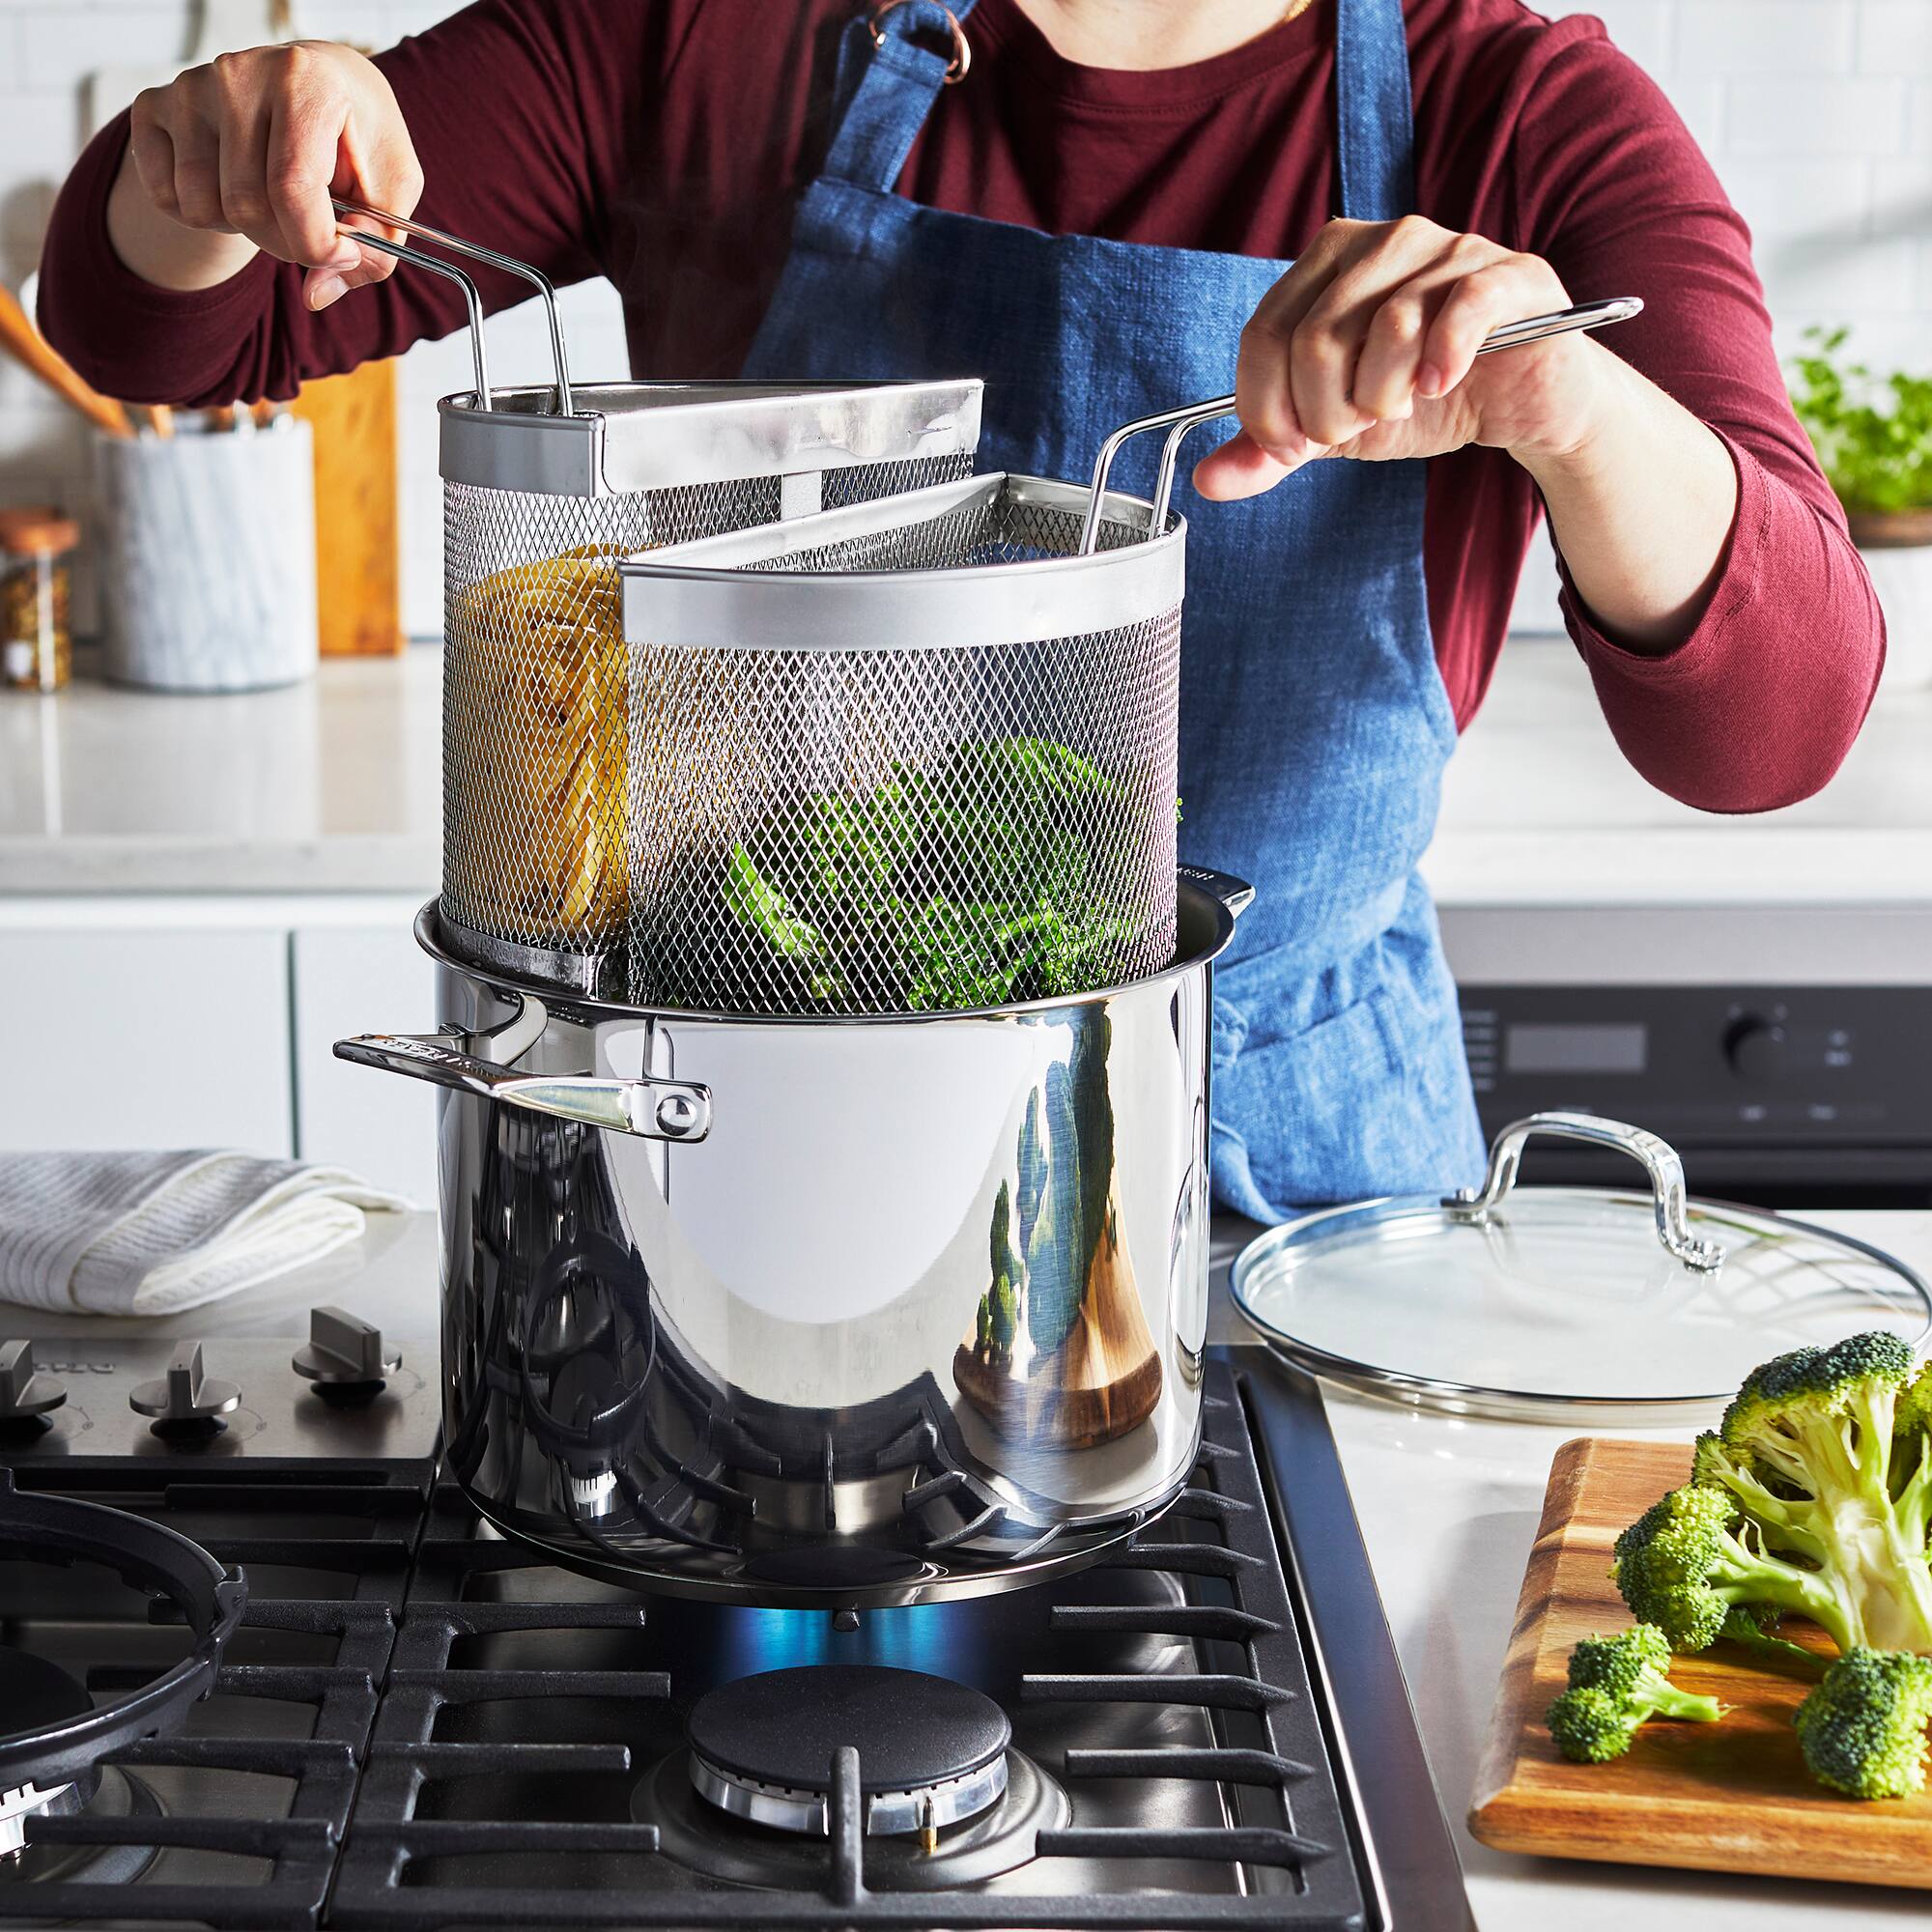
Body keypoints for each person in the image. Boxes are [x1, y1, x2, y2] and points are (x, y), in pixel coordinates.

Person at [40, 0, 1885, 1221]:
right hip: (743, 1163)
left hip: (1286, 1224)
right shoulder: (714, 33)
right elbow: (162, 321)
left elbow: (1779, 720)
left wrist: (1571, 406)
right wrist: (225, 158)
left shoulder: (1515, 108)